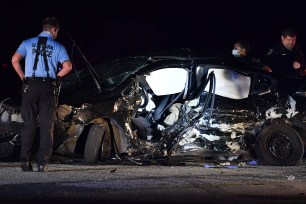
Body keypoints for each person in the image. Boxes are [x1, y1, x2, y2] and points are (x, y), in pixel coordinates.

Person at [11, 17, 72, 172]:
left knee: (29, 124)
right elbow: (68, 66)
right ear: (53, 30)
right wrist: (57, 77)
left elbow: (14, 60)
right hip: (48, 87)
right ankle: (41, 163)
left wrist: (23, 77)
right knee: (47, 126)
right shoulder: (58, 46)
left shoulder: (27, 42)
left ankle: (25, 161)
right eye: (57, 32)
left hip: (30, 85)